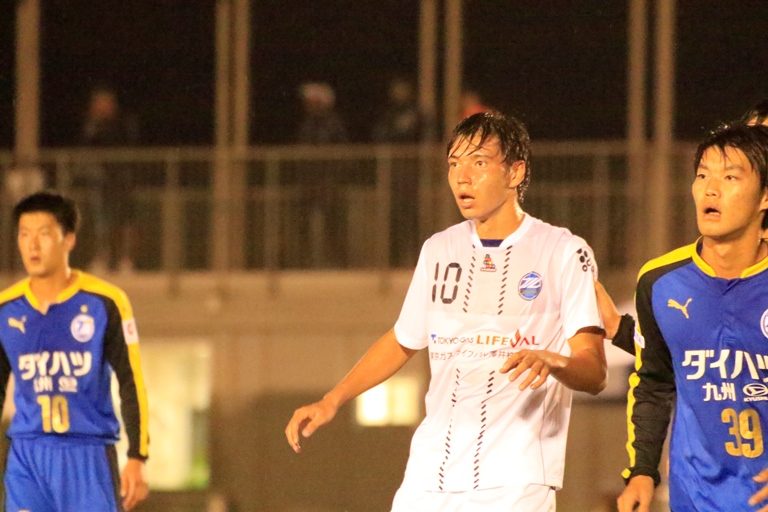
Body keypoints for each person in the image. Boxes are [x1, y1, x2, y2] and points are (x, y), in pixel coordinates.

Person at [286, 111, 607, 511]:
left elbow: (595, 372)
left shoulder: (562, 251)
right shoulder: (438, 249)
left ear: (516, 172)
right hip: (428, 478)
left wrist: (554, 361)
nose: (462, 177)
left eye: (479, 162)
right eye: (454, 164)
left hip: (514, 482)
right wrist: (332, 400)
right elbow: (402, 340)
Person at [616, 124, 768, 512]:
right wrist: (642, 471)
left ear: (765, 196)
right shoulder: (659, 282)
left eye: (730, 177)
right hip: (695, 497)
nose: (710, 189)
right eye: (702, 175)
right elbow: (653, 381)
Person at [0, 191, 150, 511]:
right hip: (27, 456)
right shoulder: (5, 309)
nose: (32, 245)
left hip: (87, 454)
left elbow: (131, 381)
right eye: (24, 235)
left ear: (69, 239)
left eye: (43, 234)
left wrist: (137, 456)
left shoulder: (105, 303)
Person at [81, 84, 140, 273]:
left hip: (121, 180)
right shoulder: (91, 126)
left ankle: (126, 260)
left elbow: (130, 147)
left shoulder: (123, 124)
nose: (101, 107)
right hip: (100, 181)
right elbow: (87, 148)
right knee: (100, 222)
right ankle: (101, 258)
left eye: (105, 103)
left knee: (125, 221)